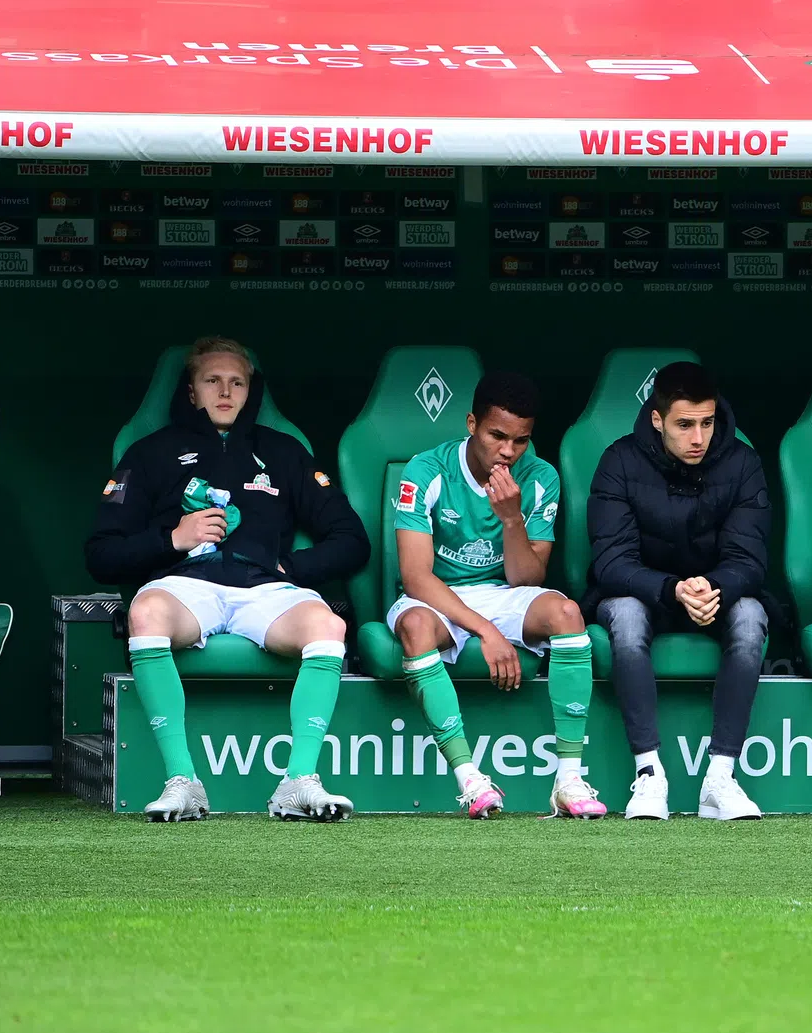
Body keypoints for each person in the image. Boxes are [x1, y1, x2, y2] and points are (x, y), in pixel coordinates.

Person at [85, 337, 370, 823]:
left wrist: (291, 568)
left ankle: (298, 781)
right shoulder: (151, 452)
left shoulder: (283, 452)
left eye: (237, 382)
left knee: (329, 627)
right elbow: (100, 554)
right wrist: (172, 539)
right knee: (145, 613)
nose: (225, 391)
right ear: (191, 390)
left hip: (265, 590)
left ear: (250, 390)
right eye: (212, 380)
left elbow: (352, 539)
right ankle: (183, 782)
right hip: (186, 587)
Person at [389, 372, 605, 820]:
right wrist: (486, 631)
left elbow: (527, 579)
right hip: (439, 595)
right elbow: (415, 577)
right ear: (472, 424)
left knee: (567, 613)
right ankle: (469, 779)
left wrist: (511, 518)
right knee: (414, 626)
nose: (508, 451)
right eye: (497, 436)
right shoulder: (426, 469)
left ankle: (568, 780)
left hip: (505, 593)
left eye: (521, 440)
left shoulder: (540, 476)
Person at [586, 361, 772, 821]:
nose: (698, 437)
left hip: (714, 596)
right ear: (657, 419)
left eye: (707, 423)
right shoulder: (618, 460)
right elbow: (611, 562)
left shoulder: (743, 462)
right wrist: (672, 590)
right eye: (684, 425)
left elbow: (749, 560)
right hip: (645, 593)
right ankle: (649, 774)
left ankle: (721, 778)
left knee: (751, 617)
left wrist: (713, 588)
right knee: (625, 617)